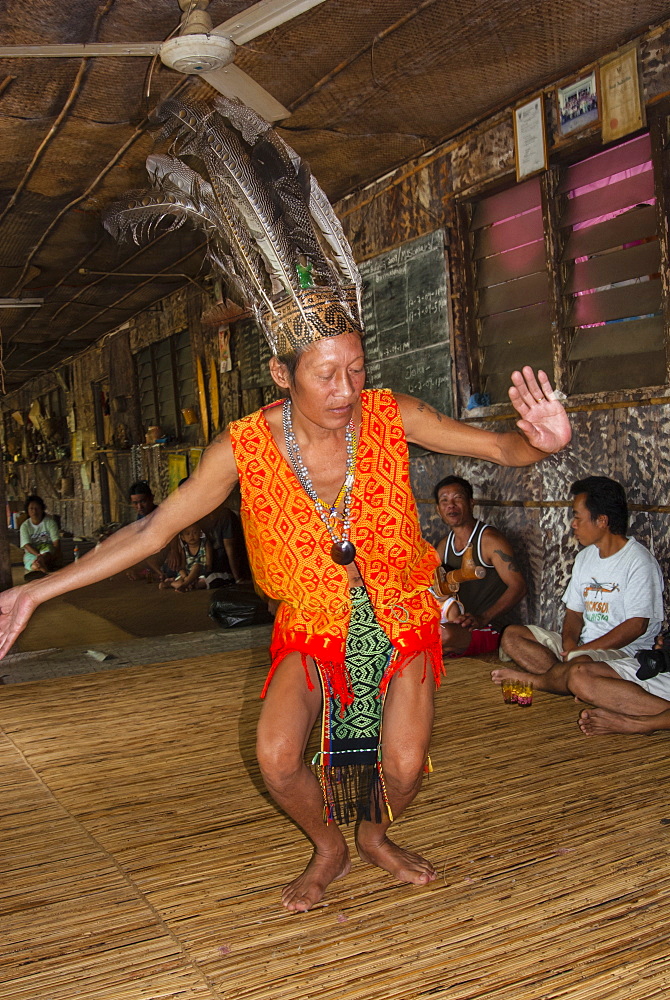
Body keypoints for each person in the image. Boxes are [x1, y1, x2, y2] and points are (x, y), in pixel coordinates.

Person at [0, 95, 572, 915]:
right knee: (276, 757)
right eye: (325, 374)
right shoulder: (242, 447)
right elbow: (157, 527)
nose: (347, 390)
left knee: (404, 767)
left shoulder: (390, 415)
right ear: (282, 375)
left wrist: (541, 442)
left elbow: (499, 449)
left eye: (356, 367)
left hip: (402, 612)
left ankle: (374, 832)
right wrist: (36, 588)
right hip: (308, 624)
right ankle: (330, 845)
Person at [492, 477, 665, 728]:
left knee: (580, 668)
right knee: (512, 636)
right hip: (584, 650)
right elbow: (574, 613)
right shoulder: (585, 557)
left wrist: (583, 652)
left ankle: (552, 680)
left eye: (578, 517)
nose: (573, 525)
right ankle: (569, 681)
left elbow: (636, 626)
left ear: (602, 521)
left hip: (623, 653)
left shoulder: (638, 561)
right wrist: (570, 645)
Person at [433, 476, 527, 657]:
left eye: (457, 498)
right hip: (456, 623)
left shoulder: (489, 540)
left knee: (441, 635)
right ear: (438, 510)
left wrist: (483, 617)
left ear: (471, 502)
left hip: (488, 628)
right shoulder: (444, 546)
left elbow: (519, 587)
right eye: (444, 501)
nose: (450, 505)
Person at [125, 481, 164, 582]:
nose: (139, 507)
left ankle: (159, 574)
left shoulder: (161, 514)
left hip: (163, 555)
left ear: (152, 498)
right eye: (135, 503)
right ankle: (150, 573)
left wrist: (174, 551)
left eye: (143, 501)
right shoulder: (140, 517)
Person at [159, 522, 213, 591]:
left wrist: (206, 571)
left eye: (195, 533)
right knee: (181, 577)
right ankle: (182, 584)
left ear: (200, 533)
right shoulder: (184, 549)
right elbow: (182, 567)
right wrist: (185, 576)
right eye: (188, 534)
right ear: (182, 537)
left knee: (197, 567)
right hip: (187, 574)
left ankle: (184, 585)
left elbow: (209, 564)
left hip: (201, 572)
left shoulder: (205, 544)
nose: (191, 536)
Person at [19, 495, 61, 579]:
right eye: (31, 508)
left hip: (47, 550)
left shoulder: (50, 523)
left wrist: (55, 555)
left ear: (42, 509)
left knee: (46, 552)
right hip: (32, 553)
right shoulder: (25, 526)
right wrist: (38, 555)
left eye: (37, 508)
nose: (34, 511)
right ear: (27, 511)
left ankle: (41, 567)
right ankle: (42, 569)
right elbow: (26, 544)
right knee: (34, 564)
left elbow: (56, 543)